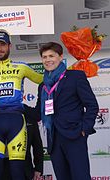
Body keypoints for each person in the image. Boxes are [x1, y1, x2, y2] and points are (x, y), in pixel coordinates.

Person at [0, 29, 43, 180]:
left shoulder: (21, 67)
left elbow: (44, 80)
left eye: (3, 44)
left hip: (16, 121)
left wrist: (72, 69)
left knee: (18, 172)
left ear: (9, 46)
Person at [31, 42, 99, 180]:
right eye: (44, 57)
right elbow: (38, 113)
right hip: (54, 139)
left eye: (51, 56)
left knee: (81, 177)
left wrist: (84, 129)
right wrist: (15, 106)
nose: (48, 60)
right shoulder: (43, 85)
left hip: (74, 135)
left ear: (60, 57)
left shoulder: (75, 77)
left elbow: (92, 105)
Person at [1, 114, 43, 180]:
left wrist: (38, 168)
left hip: (25, 168)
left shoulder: (29, 118)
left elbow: (37, 146)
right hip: (2, 168)